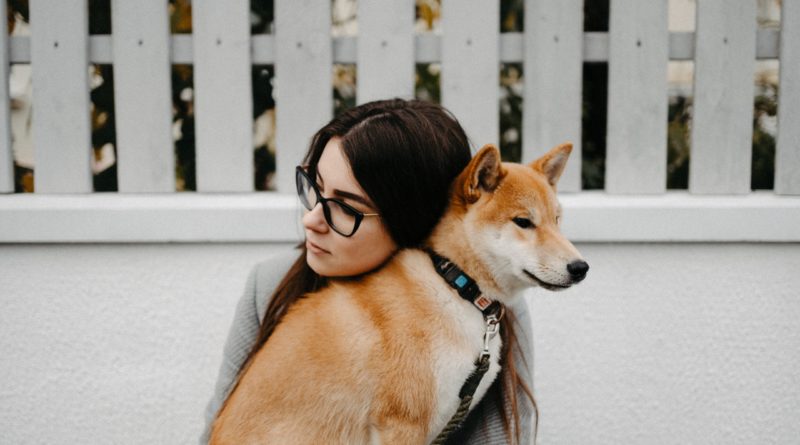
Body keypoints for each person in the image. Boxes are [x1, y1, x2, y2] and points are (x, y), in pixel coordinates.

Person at [200, 98, 536, 444]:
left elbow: (504, 438)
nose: (311, 219)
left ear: (412, 221)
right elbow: (218, 430)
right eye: (314, 187)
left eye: (346, 207)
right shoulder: (271, 283)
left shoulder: (483, 304)